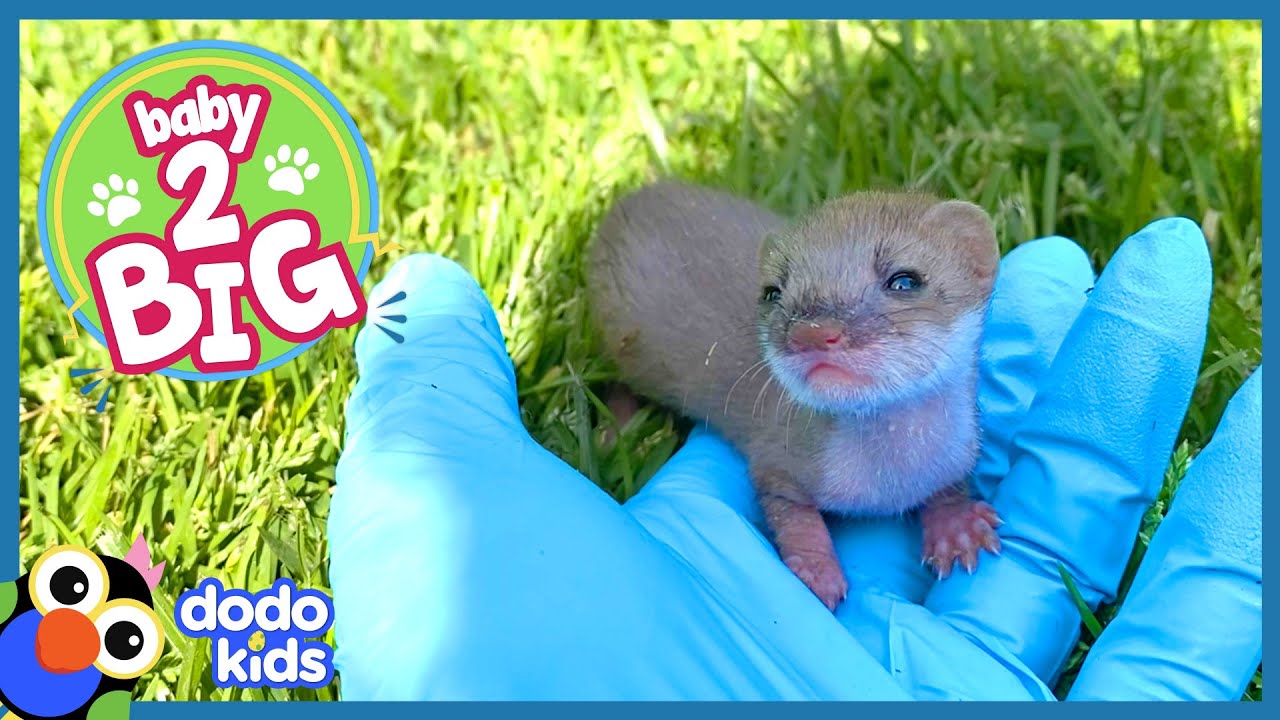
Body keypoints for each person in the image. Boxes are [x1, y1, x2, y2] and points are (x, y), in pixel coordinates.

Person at [327, 216, 1262, 701]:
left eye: (901, 285)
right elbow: (784, 474)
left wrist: (948, 507)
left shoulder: (951, 406)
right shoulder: (812, 426)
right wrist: (809, 551)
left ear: (974, 272)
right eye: (791, 302)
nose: (826, 333)